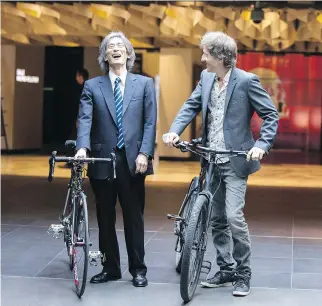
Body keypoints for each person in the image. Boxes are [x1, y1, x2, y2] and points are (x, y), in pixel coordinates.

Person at [163, 31, 279, 297]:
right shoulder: (206, 78)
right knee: (216, 219)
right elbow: (190, 106)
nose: (202, 58)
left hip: (236, 159)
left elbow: (270, 115)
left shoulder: (247, 81)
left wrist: (261, 146)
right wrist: (174, 130)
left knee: (233, 217)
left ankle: (243, 273)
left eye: (206, 53)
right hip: (210, 158)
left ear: (220, 57)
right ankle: (225, 268)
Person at [75, 31, 157, 287]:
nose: (116, 49)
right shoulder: (92, 86)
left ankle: (138, 270)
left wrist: (145, 152)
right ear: (105, 55)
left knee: (134, 217)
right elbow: (85, 119)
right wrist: (82, 148)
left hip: (133, 161)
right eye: (110, 46)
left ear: (129, 53)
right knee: (104, 216)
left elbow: (150, 121)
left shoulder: (143, 84)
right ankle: (111, 267)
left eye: (120, 45)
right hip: (101, 160)